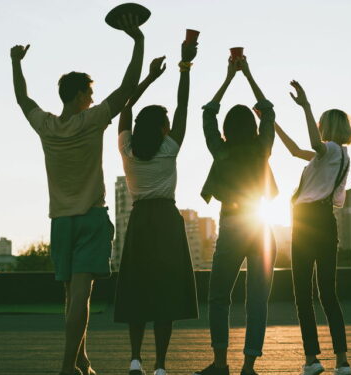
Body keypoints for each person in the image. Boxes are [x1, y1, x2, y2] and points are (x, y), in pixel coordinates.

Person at [10, 15, 145, 375]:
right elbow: (129, 86)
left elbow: (23, 99)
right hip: (90, 218)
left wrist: (15, 64)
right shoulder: (93, 120)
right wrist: (138, 41)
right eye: (90, 92)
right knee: (81, 298)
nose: (94, 97)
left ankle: (81, 359)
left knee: (71, 297)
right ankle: (68, 366)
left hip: (60, 221)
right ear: (81, 95)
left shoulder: (47, 126)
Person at [114, 40, 199, 375]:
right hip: (166, 218)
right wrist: (184, 66)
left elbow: (126, 108)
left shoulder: (127, 148)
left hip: (140, 221)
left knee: (138, 289)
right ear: (164, 127)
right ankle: (161, 365)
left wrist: (149, 78)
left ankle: (135, 358)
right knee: (165, 293)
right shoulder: (170, 148)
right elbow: (183, 106)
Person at [194, 56, 278, 375]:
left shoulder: (221, 148)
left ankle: (219, 364)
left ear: (228, 128)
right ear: (253, 126)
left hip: (232, 223)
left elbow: (207, 114)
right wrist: (248, 73)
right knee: (257, 300)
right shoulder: (262, 147)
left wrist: (229, 77)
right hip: (261, 225)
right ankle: (248, 367)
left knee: (219, 297)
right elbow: (269, 110)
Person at [273, 81, 351, 375]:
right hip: (326, 222)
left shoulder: (330, 149)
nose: (318, 127)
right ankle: (342, 360)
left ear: (327, 126)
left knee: (303, 294)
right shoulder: (338, 155)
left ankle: (312, 359)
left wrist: (305, 106)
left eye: (320, 123)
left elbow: (311, 145)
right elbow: (297, 150)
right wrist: (272, 124)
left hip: (308, 221)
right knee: (328, 294)